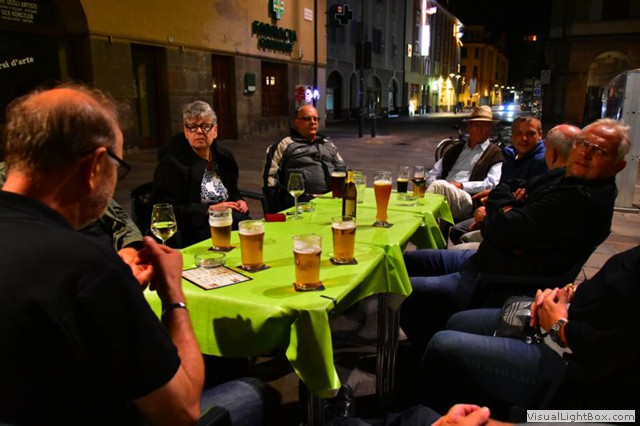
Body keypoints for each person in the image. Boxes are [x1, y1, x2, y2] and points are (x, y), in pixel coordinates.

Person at [0, 83, 265, 425]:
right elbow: (182, 410)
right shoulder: (88, 266)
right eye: (118, 164)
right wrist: (173, 295)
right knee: (253, 389)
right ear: (95, 165)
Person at [400, 118, 630, 350]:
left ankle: (425, 349)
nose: (585, 153)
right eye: (583, 144)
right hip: (485, 259)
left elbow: (497, 227)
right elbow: (508, 185)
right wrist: (509, 205)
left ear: (618, 166)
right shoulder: (566, 176)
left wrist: (505, 209)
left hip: (495, 278)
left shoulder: (581, 199)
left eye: (600, 151)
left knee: (400, 287)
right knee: (408, 261)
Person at [419, 244, 640, 420]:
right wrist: (567, 293)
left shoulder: (586, 203)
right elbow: (608, 287)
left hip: (574, 367)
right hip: (558, 318)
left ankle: (435, 415)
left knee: (442, 345)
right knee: (458, 321)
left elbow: (615, 350)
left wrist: (559, 327)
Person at [450, 122, 580, 246]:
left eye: (530, 133)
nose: (524, 138)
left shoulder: (546, 168)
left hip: (515, 236)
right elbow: (505, 187)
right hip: (497, 210)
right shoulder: (509, 154)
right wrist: (502, 197)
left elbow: (523, 216)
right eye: (519, 133)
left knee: (460, 235)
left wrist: (492, 215)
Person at [152, 100, 250, 248]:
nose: (199, 131)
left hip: (228, 220)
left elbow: (233, 191)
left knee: (253, 229)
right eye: (192, 127)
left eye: (205, 126)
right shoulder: (171, 165)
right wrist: (209, 210)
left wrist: (239, 201)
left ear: (215, 130)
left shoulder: (224, 159)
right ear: (186, 132)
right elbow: (166, 210)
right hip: (193, 230)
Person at [426, 105, 504, 221]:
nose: (481, 129)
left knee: (438, 188)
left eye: (485, 126)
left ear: (491, 129)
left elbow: (491, 184)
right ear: (469, 128)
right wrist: (433, 182)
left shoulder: (495, 154)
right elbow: (434, 173)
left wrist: (462, 185)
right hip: (443, 191)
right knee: (434, 189)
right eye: (477, 125)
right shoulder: (455, 150)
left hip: (468, 199)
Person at [262, 105, 346, 212]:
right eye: (307, 119)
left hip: (331, 199)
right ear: (296, 122)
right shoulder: (284, 145)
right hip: (301, 202)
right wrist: (274, 208)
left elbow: (342, 168)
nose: (313, 122)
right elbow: (270, 178)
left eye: (315, 119)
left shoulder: (327, 144)